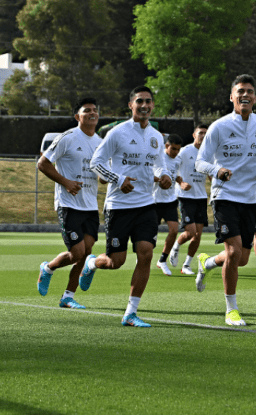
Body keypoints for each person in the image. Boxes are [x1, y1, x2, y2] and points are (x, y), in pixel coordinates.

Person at [195, 74, 256, 326]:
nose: (245, 95)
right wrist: (216, 171)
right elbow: (200, 162)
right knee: (233, 252)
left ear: (255, 98)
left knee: (242, 259)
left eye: (250, 91)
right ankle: (231, 310)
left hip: (251, 199)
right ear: (231, 97)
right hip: (224, 195)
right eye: (240, 91)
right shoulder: (219, 126)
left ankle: (207, 262)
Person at [83, 86, 173, 328]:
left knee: (145, 254)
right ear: (131, 106)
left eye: (149, 102)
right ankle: (91, 263)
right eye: (140, 101)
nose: (145, 105)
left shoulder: (156, 136)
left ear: (153, 106)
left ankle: (130, 313)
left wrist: (164, 176)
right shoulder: (117, 133)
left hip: (146, 205)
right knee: (116, 261)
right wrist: (118, 179)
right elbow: (96, 163)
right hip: (118, 206)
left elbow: (159, 165)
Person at [36, 98, 102, 309]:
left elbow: (102, 174)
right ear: (78, 117)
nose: (92, 113)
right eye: (87, 111)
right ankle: (48, 268)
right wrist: (65, 182)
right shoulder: (67, 137)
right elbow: (43, 163)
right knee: (77, 253)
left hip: (90, 206)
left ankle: (67, 297)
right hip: (69, 205)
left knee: (87, 250)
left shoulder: (100, 142)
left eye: (95, 110)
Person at [169, 124, 211, 275]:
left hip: (201, 197)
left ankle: (186, 265)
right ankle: (176, 247)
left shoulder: (209, 154)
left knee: (198, 235)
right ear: (194, 135)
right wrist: (180, 183)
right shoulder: (185, 151)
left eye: (206, 133)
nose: (203, 136)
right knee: (191, 232)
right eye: (200, 133)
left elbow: (211, 174)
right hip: (185, 196)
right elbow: (172, 167)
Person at [154, 134, 184, 276]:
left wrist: (180, 181)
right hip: (154, 200)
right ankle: (141, 258)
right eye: (173, 149)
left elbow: (175, 174)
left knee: (174, 230)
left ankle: (162, 260)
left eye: (178, 149)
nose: (176, 152)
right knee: (149, 233)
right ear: (167, 146)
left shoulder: (177, 160)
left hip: (170, 200)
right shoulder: (158, 157)